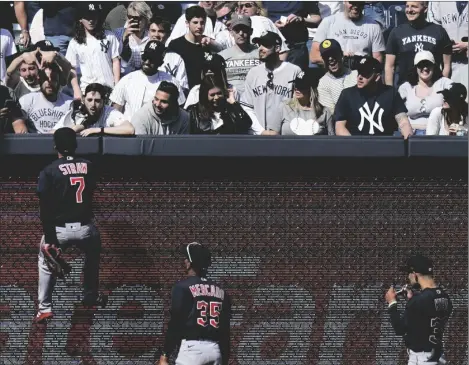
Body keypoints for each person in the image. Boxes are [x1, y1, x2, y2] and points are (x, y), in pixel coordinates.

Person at [34, 127, 107, 323]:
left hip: (59, 229)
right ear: (75, 145)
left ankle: (44, 308)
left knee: (45, 261)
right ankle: (90, 295)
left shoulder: (48, 170)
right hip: (85, 227)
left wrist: (50, 239)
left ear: (55, 146)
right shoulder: (89, 166)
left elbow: (45, 208)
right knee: (92, 256)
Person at [157, 242, 231, 365]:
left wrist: (165, 354)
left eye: (186, 258)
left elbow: (176, 322)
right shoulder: (222, 291)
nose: (184, 261)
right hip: (215, 349)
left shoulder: (182, 287)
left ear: (189, 263)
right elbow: (225, 331)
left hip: (192, 350)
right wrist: (224, 358)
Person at [385, 254, 453, 364]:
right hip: (438, 356)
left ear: (414, 274)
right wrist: (412, 299)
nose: (408, 277)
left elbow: (400, 329)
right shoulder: (445, 296)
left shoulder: (418, 301)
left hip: (422, 358)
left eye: (409, 273)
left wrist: (392, 303)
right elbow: (426, 314)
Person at [334, 56, 413, 139]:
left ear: (377, 77)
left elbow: (403, 122)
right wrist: (355, 145)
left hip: (385, 146)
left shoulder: (391, 93)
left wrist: (408, 142)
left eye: (365, 74)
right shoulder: (347, 95)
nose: (360, 77)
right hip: (355, 147)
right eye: (359, 72)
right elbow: (340, 127)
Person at [240, 31, 301, 134]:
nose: (260, 48)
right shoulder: (253, 73)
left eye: (266, 45)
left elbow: (301, 106)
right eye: (260, 45)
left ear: (277, 48)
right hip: (259, 137)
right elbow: (247, 107)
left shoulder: (294, 71)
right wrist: (261, 131)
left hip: (287, 136)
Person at [110, 40, 186, 121]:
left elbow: (180, 112)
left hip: (158, 131)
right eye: (145, 57)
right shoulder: (127, 79)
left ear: (160, 62)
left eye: (152, 59)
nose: (147, 62)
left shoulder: (171, 81)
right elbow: (116, 110)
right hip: (130, 130)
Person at [385, 1, 452, 87]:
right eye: (407, 6)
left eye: (414, 7)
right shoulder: (397, 32)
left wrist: (442, 87)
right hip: (406, 88)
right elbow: (389, 66)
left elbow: (446, 65)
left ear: (425, 9)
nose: (409, 10)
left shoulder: (439, 31)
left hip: (433, 87)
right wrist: (390, 92)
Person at [66, 2, 121, 99]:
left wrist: (117, 86)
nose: (91, 20)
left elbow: (115, 61)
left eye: (94, 16)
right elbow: (71, 68)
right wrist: (76, 90)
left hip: (108, 90)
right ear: (80, 19)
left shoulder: (109, 36)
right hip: (88, 92)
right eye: (87, 17)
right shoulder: (74, 43)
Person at [310, 1, 385, 69]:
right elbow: (314, 55)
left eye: (360, 3)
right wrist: (339, 60)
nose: (356, 6)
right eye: (352, 2)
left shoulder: (373, 26)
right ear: (344, 1)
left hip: (361, 74)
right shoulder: (328, 22)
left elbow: (378, 59)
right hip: (335, 75)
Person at [398, 51, 453, 135]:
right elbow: (395, 110)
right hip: (411, 134)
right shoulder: (406, 87)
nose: (425, 68)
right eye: (421, 65)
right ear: (415, 67)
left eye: (428, 64)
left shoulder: (443, 83)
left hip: (438, 134)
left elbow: (459, 93)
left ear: (434, 66)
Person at [54, 83, 134, 136]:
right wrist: (72, 130)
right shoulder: (75, 113)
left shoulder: (109, 112)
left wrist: (98, 130)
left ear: (103, 101)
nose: (93, 104)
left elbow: (129, 129)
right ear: (83, 99)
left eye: (97, 101)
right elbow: (51, 133)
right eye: (89, 100)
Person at [6, 40, 73, 99]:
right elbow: (9, 72)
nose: (47, 59)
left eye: (49, 54)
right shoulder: (20, 79)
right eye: (42, 55)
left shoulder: (53, 78)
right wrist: (22, 56)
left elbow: (67, 67)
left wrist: (56, 55)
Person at [167, 6, 215, 89]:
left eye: (202, 22)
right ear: (187, 23)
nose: (199, 26)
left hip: (203, 92)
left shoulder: (208, 44)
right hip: (181, 91)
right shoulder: (175, 45)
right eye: (195, 22)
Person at [188, 75, 252, 134]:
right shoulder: (194, 112)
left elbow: (246, 124)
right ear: (204, 95)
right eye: (212, 95)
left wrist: (234, 103)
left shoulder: (229, 108)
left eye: (219, 93)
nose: (216, 97)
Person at [277, 69, 334, 136]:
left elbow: (331, 140)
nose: (297, 88)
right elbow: (274, 135)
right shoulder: (284, 107)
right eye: (295, 85)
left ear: (311, 89)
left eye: (301, 86)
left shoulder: (324, 112)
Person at [20, 63, 73, 133]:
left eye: (53, 78)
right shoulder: (27, 100)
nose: (49, 82)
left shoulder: (69, 102)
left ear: (59, 80)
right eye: (45, 78)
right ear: (39, 79)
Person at [268, 1, 322, 69]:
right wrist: (272, 25)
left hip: (297, 46)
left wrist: (300, 19)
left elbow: (316, 19)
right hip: (270, 46)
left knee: (297, 77)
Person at [218, 14, 260, 98]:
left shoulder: (260, 53)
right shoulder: (222, 56)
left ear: (251, 31)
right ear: (231, 32)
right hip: (232, 100)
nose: (241, 33)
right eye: (237, 30)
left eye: (244, 30)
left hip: (256, 98)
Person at [427, 1, 468, 78]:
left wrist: (467, 45)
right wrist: (445, 45)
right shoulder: (436, 2)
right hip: (447, 62)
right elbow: (432, 30)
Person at [317, 39, 358, 112]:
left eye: (333, 54)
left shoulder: (356, 75)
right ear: (323, 60)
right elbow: (331, 113)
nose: (330, 59)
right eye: (326, 56)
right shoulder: (323, 83)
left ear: (341, 54)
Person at [113, 1, 152, 75]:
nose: (134, 21)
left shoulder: (151, 35)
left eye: (138, 18)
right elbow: (115, 57)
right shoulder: (117, 34)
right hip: (124, 77)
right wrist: (124, 37)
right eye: (130, 17)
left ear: (146, 18)